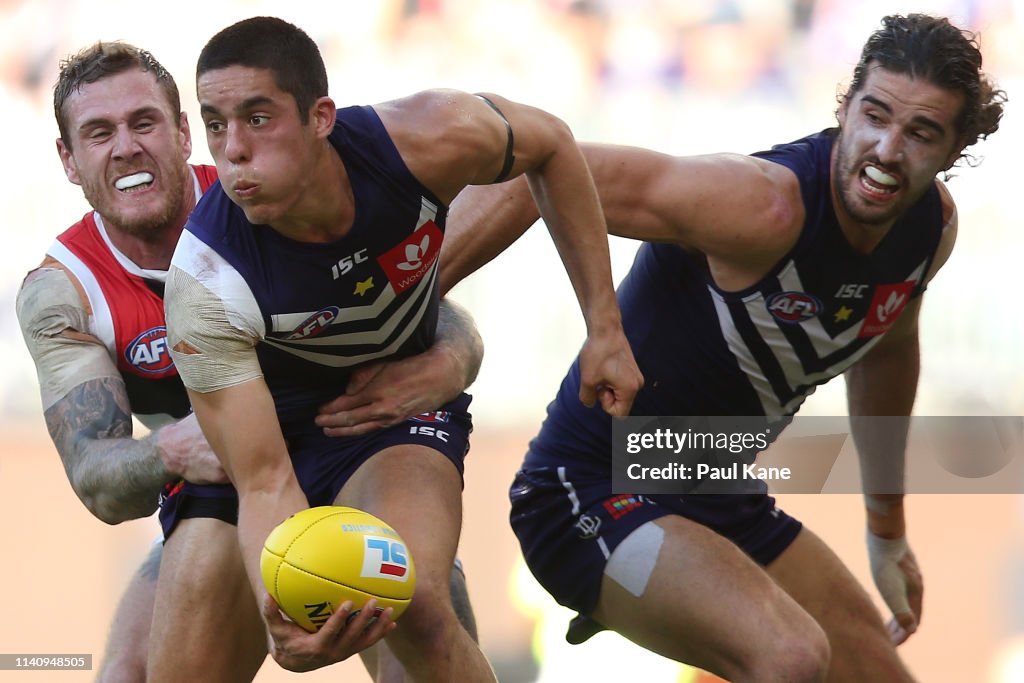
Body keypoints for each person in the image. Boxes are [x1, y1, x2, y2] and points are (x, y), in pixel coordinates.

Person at [438, 13, 1005, 683]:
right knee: (792, 655)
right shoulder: (762, 206)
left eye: (920, 133)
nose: (885, 149)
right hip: (588, 489)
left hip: (709, 488)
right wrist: (407, 321)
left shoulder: (929, 230)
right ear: (846, 105)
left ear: (956, 147)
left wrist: (886, 530)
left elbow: (886, 349)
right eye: (874, 115)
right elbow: (533, 166)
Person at [162, 15, 642, 681]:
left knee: (413, 600)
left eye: (258, 118)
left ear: (321, 117)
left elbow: (554, 144)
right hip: (263, 438)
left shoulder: (424, 138)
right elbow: (265, 476)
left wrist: (605, 327)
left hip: (382, 421)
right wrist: (283, 607)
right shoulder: (206, 283)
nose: (232, 149)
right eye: (215, 124)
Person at [16, 40, 484, 682]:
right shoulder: (65, 291)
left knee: (420, 614)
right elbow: (96, 476)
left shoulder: (260, 192)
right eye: (98, 133)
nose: (125, 147)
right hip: (225, 486)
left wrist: (455, 354)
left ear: (184, 134)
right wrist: (177, 450)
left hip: (353, 447)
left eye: (144, 123)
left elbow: (407, 292)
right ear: (69, 160)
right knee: (127, 671)